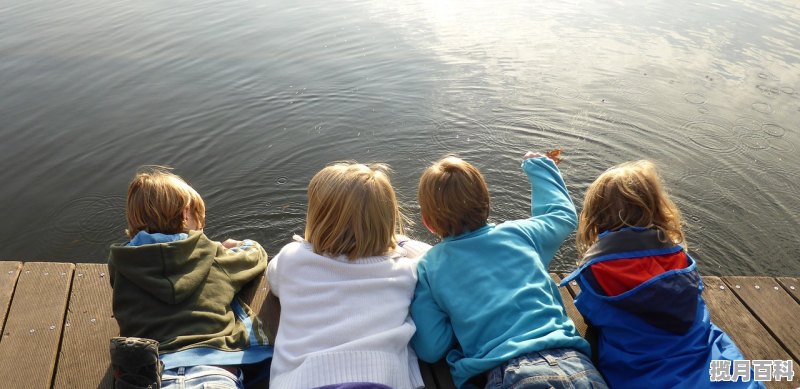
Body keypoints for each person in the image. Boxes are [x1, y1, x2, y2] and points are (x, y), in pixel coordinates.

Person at [560, 160, 763, 388]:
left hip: (645, 374)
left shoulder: (596, 272)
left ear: (595, 218)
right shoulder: (679, 258)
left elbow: (592, 314)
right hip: (703, 360)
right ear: (657, 209)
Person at [411, 153, 607, 389]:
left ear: (427, 222)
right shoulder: (521, 234)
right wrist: (539, 166)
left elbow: (430, 348)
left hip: (512, 374)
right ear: (487, 202)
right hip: (577, 365)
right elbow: (562, 216)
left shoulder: (429, 266)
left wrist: (462, 318)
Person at [267, 162, 428, 389]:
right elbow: (431, 256)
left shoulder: (291, 259)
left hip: (303, 380)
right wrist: (401, 242)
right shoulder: (403, 271)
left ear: (317, 219)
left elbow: (273, 281)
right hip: (381, 378)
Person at [108, 167, 272, 389]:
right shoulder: (213, 255)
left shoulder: (122, 262)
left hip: (154, 373)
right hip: (215, 372)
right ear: (186, 214)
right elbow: (255, 257)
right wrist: (241, 245)